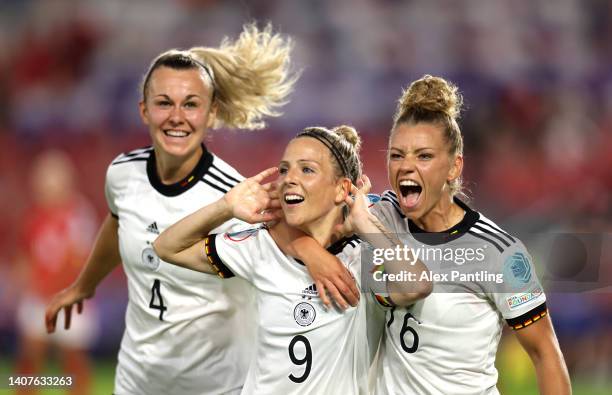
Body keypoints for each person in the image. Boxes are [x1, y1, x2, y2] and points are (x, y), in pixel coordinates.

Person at [44, 23, 316, 395]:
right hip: (136, 382)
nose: (177, 116)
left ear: (211, 113)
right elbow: (118, 224)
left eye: (191, 104)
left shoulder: (236, 199)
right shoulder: (122, 174)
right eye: (163, 103)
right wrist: (83, 286)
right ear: (144, 110)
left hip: (218, 388)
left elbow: (284, 259)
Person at [153, 125, 432, 394]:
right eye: (284, 169)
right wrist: (225, 208)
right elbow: (167, 247)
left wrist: (364, 222)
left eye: (307, 169)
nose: (289, 178)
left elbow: (417, 285)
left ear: (341, 189)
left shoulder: (364, 256)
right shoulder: (262, 246)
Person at [366, 75, 571, 394]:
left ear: (454, 167)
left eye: (423, 156)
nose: (406, 166)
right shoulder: (379, 218)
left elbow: (544, 352)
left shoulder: (500, 253)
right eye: (396, 155)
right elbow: (313, 215)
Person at [14, 150, 99, 395]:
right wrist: (27, 284)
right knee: (29, 359)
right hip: (38, 296)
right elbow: (26, 254)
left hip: (68, 297)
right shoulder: (34, 216)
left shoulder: (78, 215)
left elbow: (81, 259)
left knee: (73, 360)